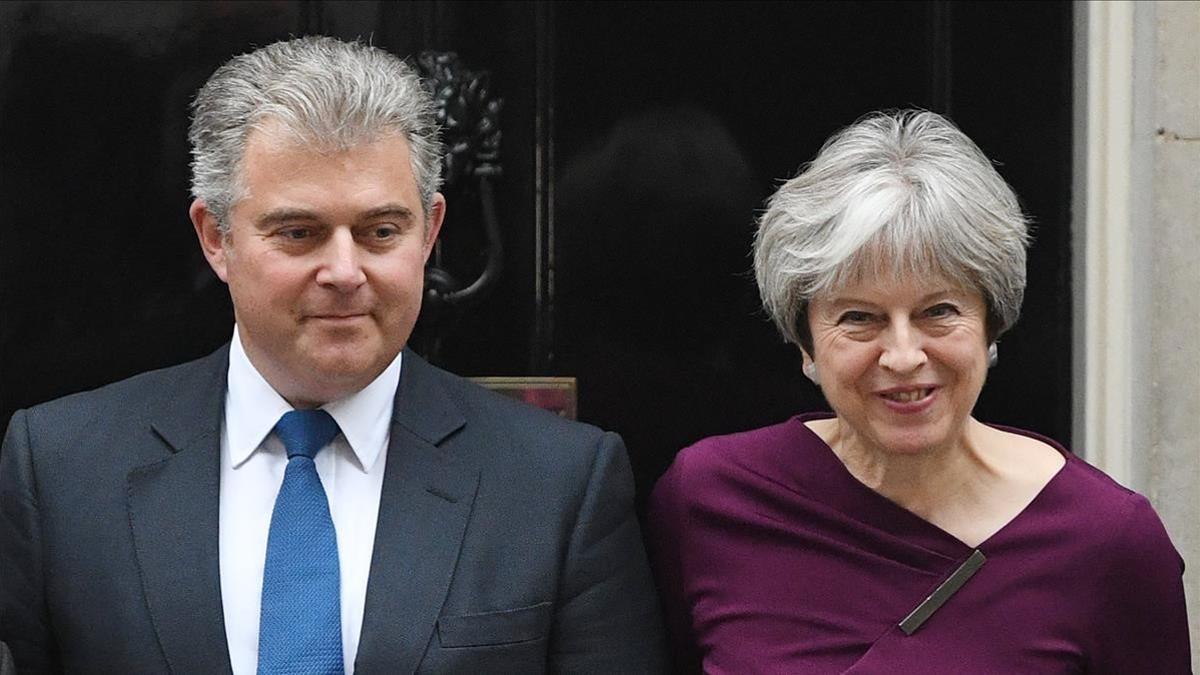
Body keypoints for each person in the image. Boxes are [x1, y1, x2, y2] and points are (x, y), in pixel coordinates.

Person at [0, 36, 664, 673]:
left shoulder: (559, 484)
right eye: (299, 231)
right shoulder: (62, 467)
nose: (345, 270)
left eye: (380, 231)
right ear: (216, 237)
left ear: (430, 230)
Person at [647, 110, 1190, 673]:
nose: (904, 356)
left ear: (992, 325)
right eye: (860, 317)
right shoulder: (709, 499)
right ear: (805, 342)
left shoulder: (1109, 540)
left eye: (939, 311)